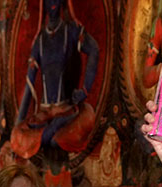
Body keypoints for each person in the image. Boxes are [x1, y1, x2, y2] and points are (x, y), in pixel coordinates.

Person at [10, 0, 99, 160]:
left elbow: (94, 49)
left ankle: (50, 134)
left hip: (66, 112)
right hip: (43, 116)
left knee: (85, 120)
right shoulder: (39, 41)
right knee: (18, 137)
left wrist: (85, 90)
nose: (52, 2)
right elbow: (29, 85)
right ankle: (49, 133)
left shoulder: (70, 30)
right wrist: (18, 124)